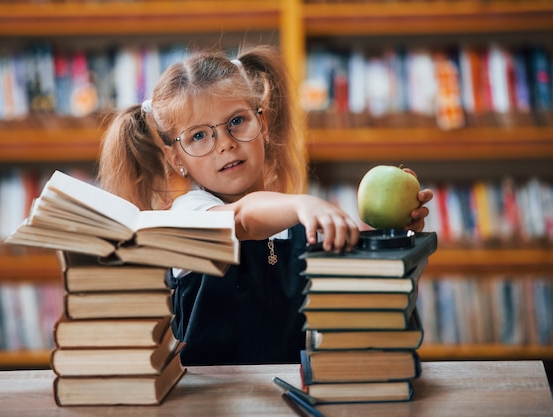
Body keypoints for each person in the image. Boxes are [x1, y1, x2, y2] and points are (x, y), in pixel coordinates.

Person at [97, 44, 433, 365]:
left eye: (237, 121)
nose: (225, 144)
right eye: (198, 136)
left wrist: (394, 239)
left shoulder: (302, 222)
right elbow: (243, 219)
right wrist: (302, 204)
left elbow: (365, 310)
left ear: (264, 124)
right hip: (212, 405)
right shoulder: (188, 216)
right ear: (176, 157)